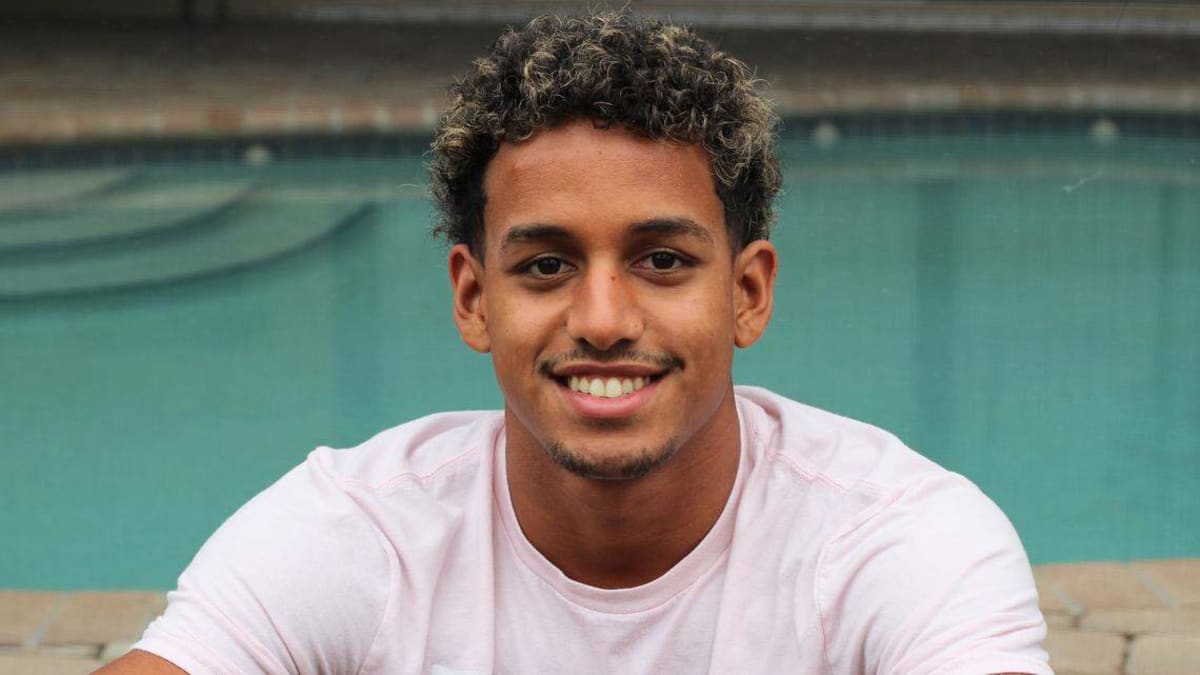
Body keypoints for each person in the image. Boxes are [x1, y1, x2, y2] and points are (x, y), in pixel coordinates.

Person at [100, 12, 1051, 675]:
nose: (602, 317)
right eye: (547, 266)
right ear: (474, 298)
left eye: (663, 260)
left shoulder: (897, 538)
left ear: (747, 292)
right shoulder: (360, 533)